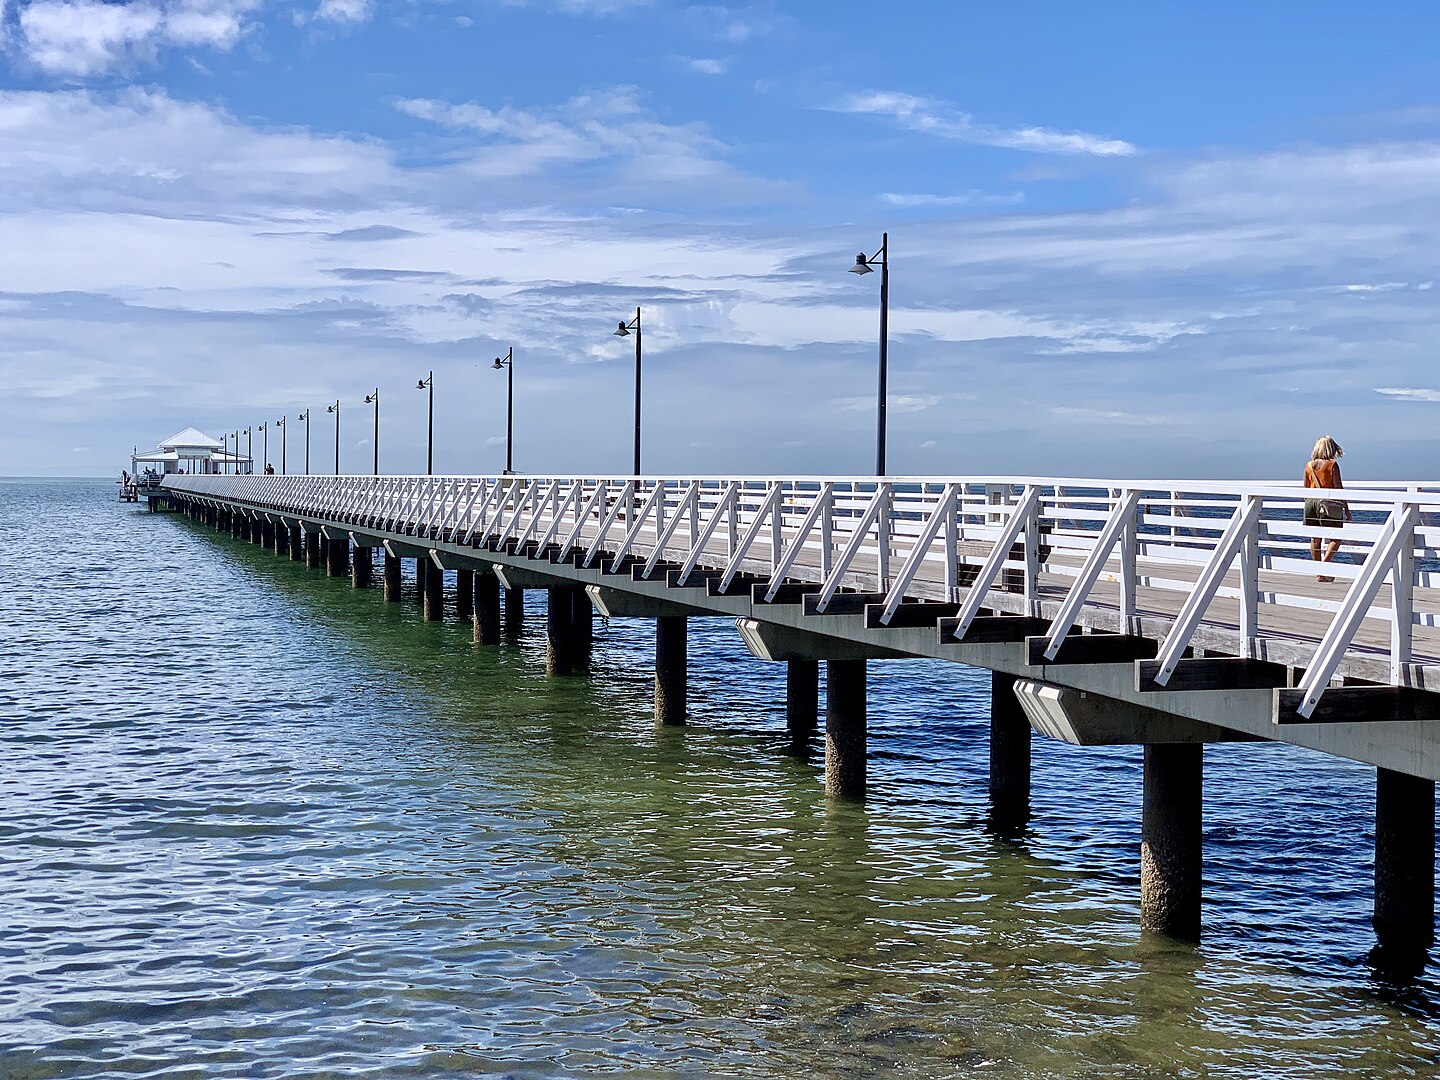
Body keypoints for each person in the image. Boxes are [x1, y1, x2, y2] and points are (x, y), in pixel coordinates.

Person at [1304, 435, 1349, 581]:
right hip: (1327, 503)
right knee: (1336, 537)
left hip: (1310, 503)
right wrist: (1346, 508)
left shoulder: (1309, 465)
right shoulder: (1332, 465)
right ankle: (1323, 568)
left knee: (1315, 539)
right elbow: (1338, 488)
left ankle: (1318, 572)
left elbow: (1306, 487)